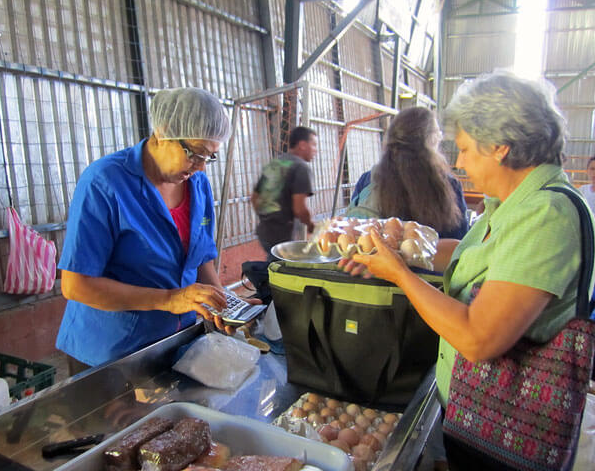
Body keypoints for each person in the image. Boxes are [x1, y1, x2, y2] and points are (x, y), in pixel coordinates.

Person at [340, 71, 590, 469]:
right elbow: (470, 255)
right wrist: (401, 253)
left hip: (509, 438)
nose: (458, 162)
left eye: (466, 150)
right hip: (470, 413)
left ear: (500, 148)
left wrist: (399, 276)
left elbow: (477, 339)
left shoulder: (547, 216)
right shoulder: (514, 205)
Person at [56, 87, 249, 375]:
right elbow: (76, 285)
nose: (200, 167)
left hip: (173, 342)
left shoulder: (197, 185)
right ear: (163, 131)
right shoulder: (105, 183)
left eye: (209, 157)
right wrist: (170, 300)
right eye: (193, 154)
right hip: (110, 353)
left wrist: (225, 307)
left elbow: (201, 259)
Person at [346, 107, 469, 240]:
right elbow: (461, 242)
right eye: (438, 134)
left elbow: (352, 229)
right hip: (434, 260)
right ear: (432, 140)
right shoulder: (448, 185)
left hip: (373, 259)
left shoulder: (368, 180)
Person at [251, 126, 318, 260]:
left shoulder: (275, 164)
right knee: (283, 272)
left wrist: (268, 218)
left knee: (272, 264)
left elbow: (254, 198)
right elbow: (300, 208)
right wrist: (311, 226)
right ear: (303, 145)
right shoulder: (301, 167)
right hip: (284, 237)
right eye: (314, 145)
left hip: (265, 232)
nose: (316, 150)